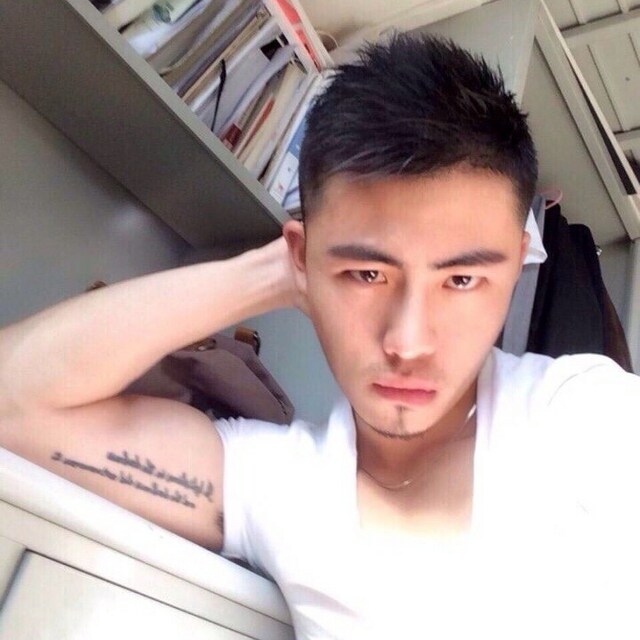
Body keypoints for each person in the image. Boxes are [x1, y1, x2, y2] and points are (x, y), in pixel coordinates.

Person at [0, 33, 639, 639]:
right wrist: (273, 271)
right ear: (303, 259)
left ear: (519, 263)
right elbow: (14, 404)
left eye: (462, 279)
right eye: (367, 273)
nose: (408, 342)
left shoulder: (586, 418)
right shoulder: (281, 487)